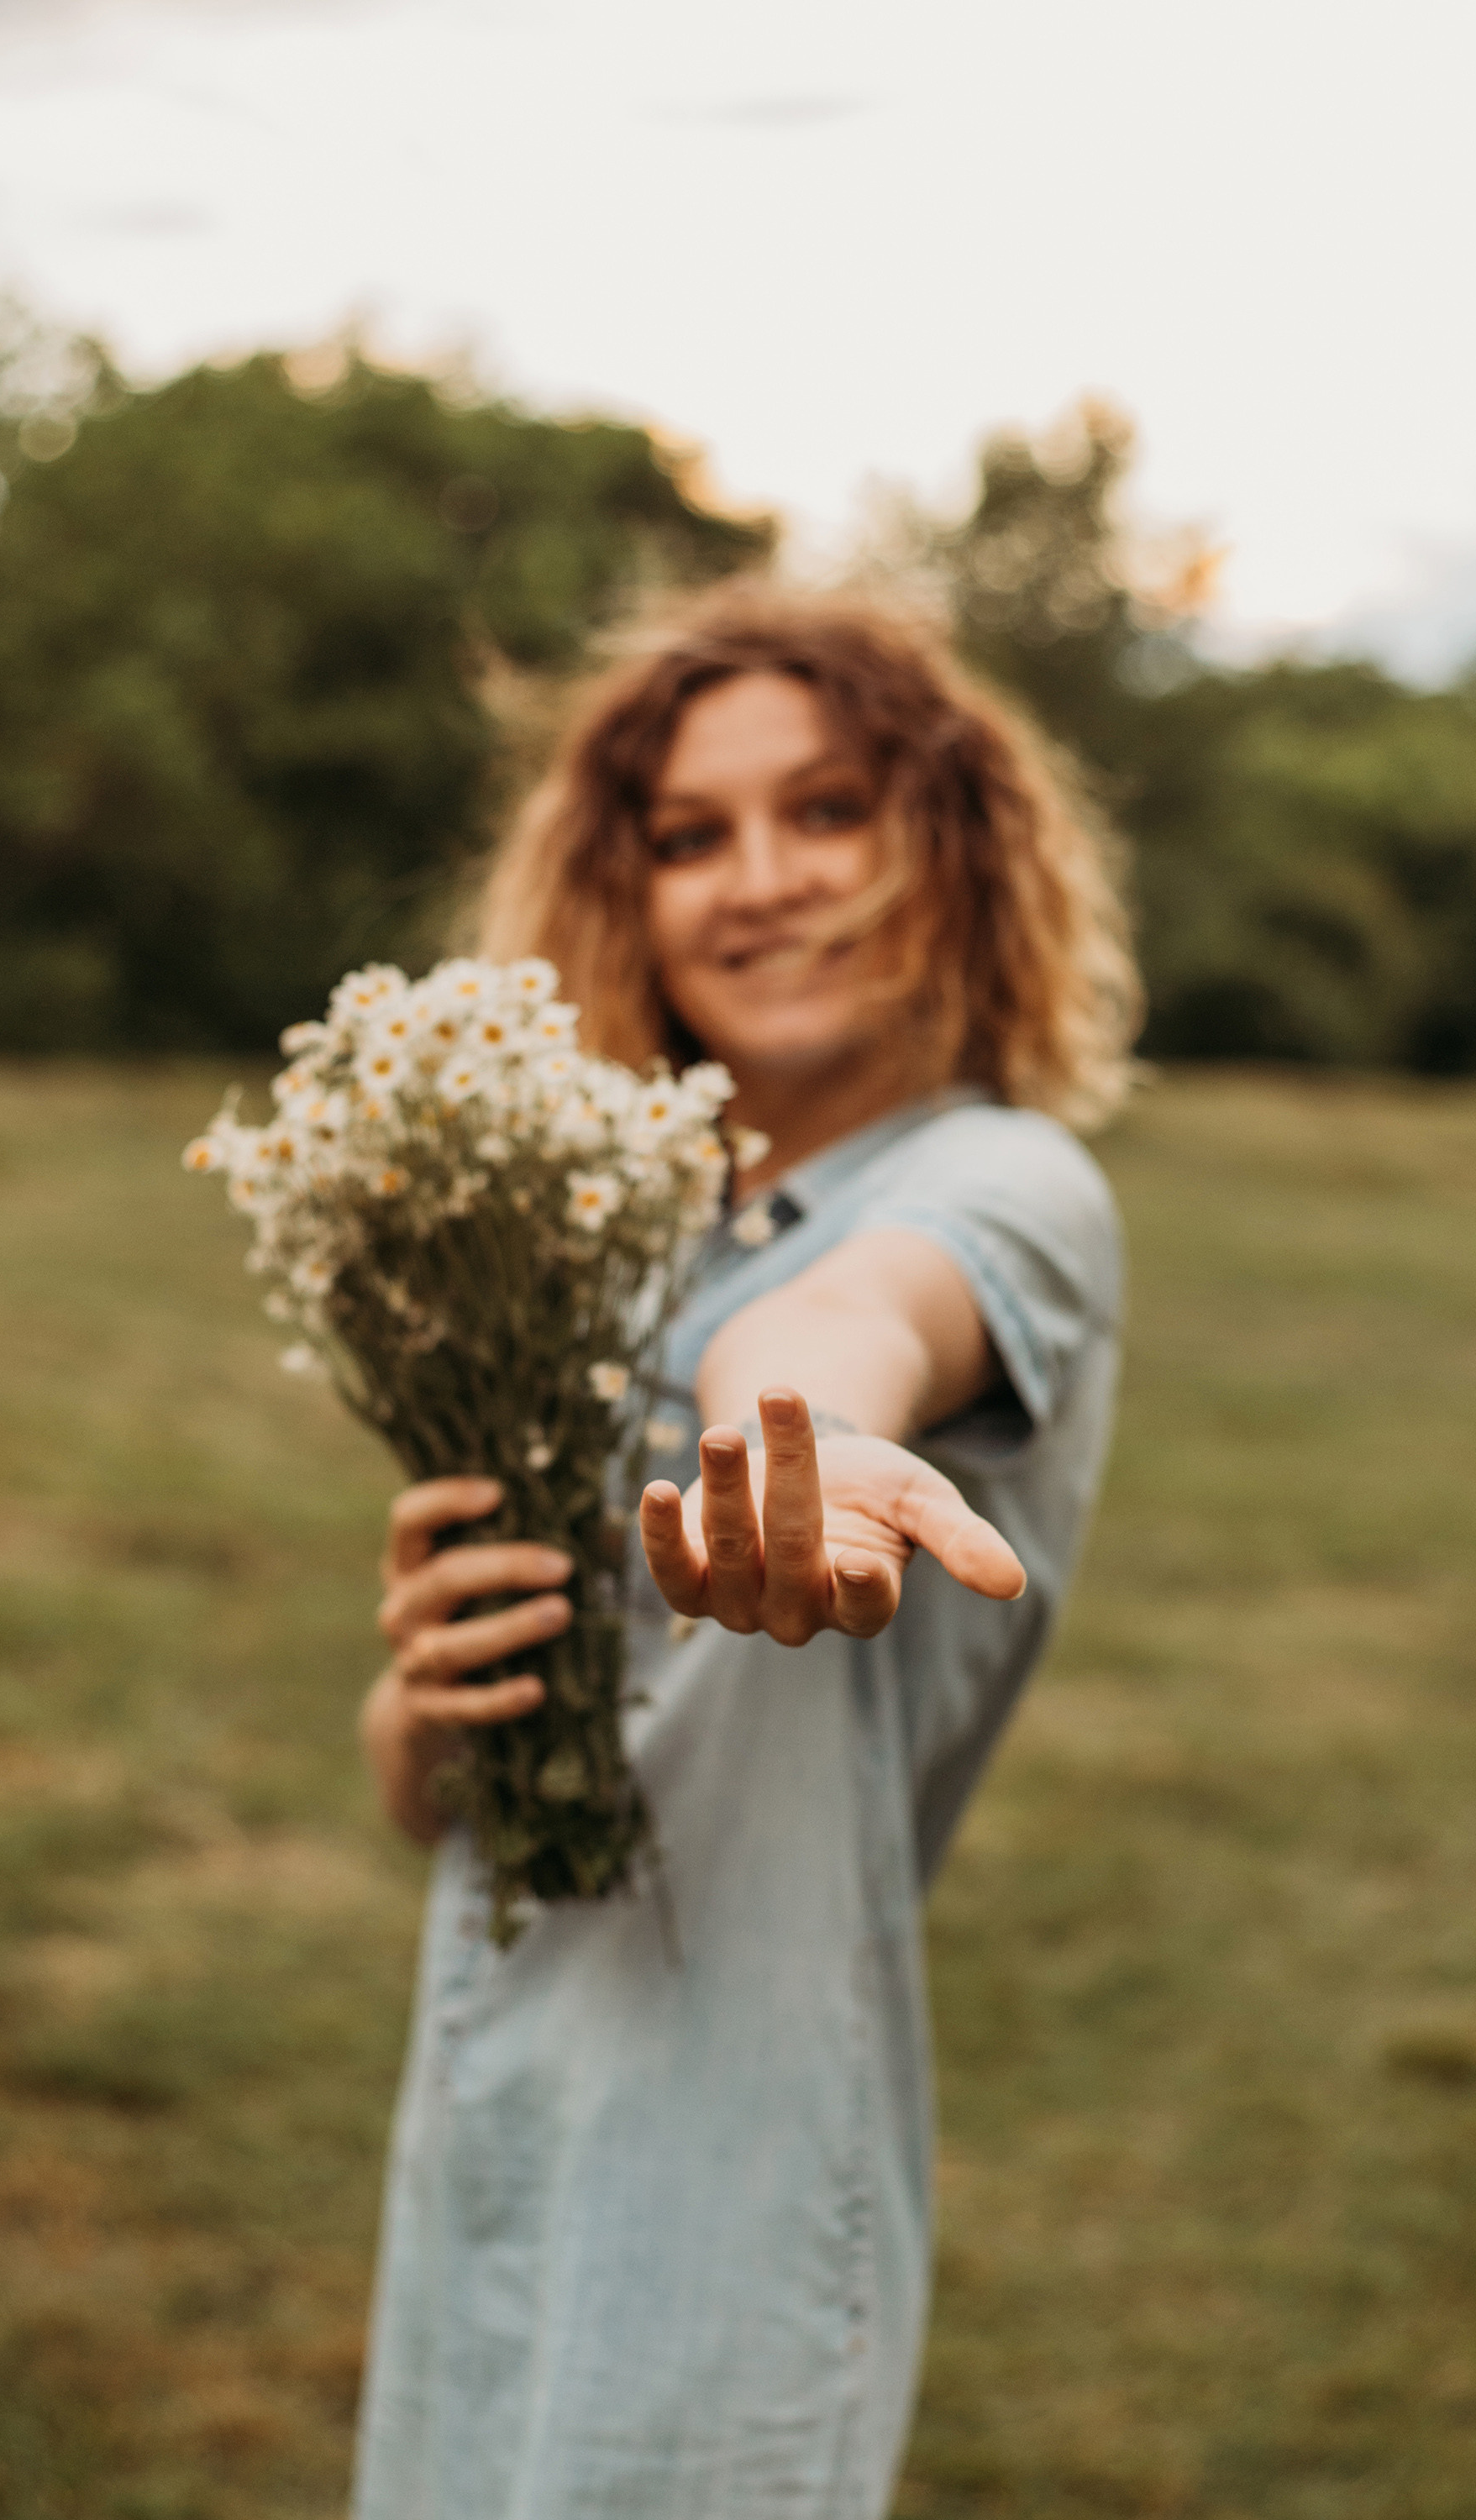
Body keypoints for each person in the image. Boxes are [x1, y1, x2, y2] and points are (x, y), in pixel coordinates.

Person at [352, 584, 1141, 2520]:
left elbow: (842, 1330)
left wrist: (785, 1451)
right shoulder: (590, 1239)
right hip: (488, 2079)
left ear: (948, 845)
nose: (755, 880)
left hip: (727, 2154)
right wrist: (417, 1701)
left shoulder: (1001, 1181)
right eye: (688, 836)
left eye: (827, 810)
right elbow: (425, 1803)